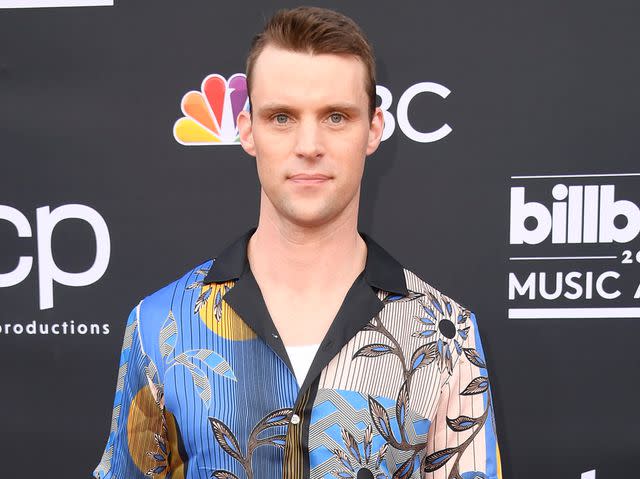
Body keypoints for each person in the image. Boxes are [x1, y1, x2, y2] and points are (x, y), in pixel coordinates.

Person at [93, 6, 502, 479]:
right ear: (248, 131)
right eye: (283, 117)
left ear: (373, 130)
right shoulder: (160, 327)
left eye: (336, 117)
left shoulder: (446, 336)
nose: (309, 144)